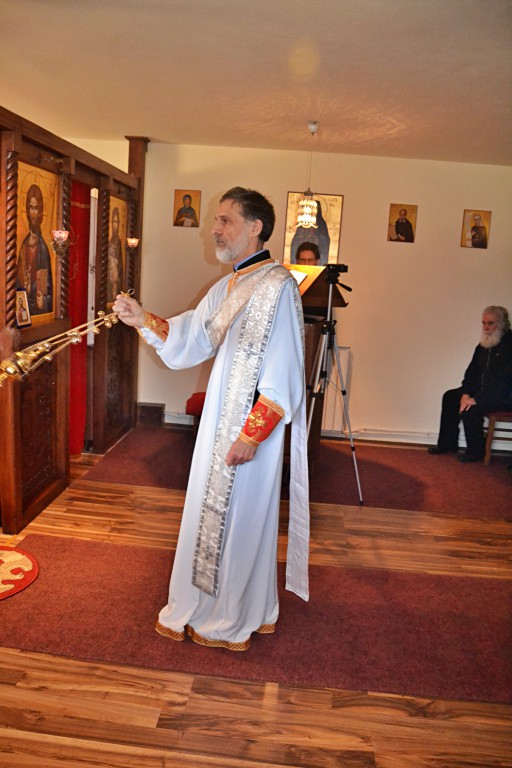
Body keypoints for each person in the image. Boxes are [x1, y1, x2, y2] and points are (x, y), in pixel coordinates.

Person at [113, 186, 309, 651]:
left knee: (242, 518)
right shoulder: (228, 285)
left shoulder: (278, 286)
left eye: (225, 220)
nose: (215, 229)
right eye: (216, 221)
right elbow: (194, 337)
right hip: (219, 421)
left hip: (248, 431)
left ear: (255, 227)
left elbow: (285, 372)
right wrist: (143, 320)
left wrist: (252, 436)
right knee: (210, 511)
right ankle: (205, 604)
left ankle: (232, 612)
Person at [428, 306, 512, 462]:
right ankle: (448, 444)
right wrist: (466, 393)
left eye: (490, 323)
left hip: (504, 397)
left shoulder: (509, 346)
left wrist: (476, 399)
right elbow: (471, 374)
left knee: (471, 409)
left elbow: (502, 382)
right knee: (450, 397)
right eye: (483, 323)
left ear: (502, 324)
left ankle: (476, 452)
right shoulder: (483, 346)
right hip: (482, 392)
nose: (486, 328)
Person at [16, 184, 53, 315]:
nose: (33, 213)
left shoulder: (44, 248)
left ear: (40, 212)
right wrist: (24, 288)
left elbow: (50, 292)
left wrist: (44, 302)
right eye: (31, 207)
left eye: (36, 208)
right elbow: (15, 286)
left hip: (39, 312)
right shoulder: (22, 247)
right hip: (23, 311)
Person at [107, 207, 123, 302]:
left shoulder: (117, 240)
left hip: (114, 273)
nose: (114, 225)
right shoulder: (110, 239)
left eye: (116, 222)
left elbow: (118, 262)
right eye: (113, 222)